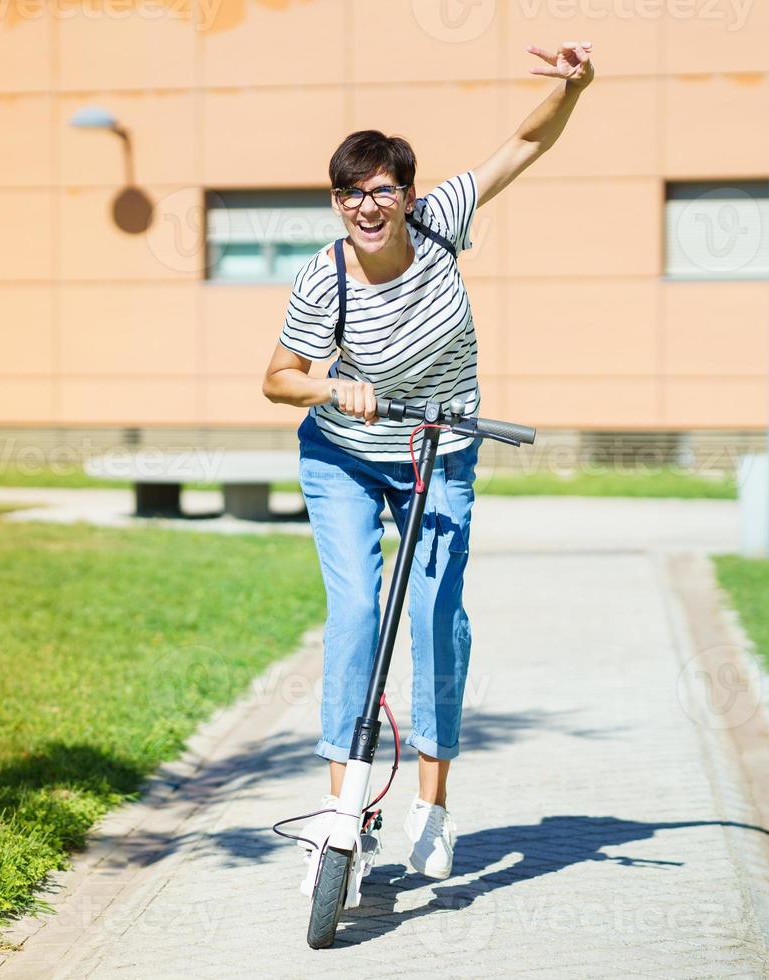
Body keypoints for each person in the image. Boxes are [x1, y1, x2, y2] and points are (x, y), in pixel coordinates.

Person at [260, 41, 594, 880]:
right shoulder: (322, 281)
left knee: (438, 615)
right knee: (356, 618)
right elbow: (276, 378)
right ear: (336, 203)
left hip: (439, 451)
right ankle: (344, 815)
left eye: (381, 190)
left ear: (406, 195)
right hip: (341, 458)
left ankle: (433, 808)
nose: (366, 206)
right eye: (350, 194)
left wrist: (572, 88)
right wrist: (332, 388)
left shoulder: (442, 220)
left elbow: (525, 143)